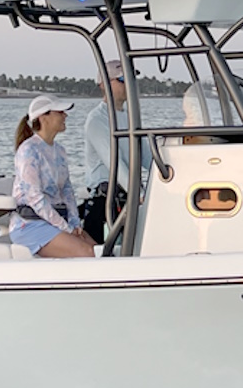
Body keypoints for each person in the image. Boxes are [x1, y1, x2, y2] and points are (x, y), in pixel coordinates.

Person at [11, 94, 97, 258]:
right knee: (88, 253)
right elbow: (34, 197)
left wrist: (74, 223)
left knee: (100, 251)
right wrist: (66, 228)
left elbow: (67, 190)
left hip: (56, 222)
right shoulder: (28, 150)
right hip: (30, 225)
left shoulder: (60, 151)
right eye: (60, 112)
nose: (65, 116)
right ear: (43, 117)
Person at [81, 60, 153, 244]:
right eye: (122, 79)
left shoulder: (130, 117)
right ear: (103, 84)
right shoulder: (97, 120)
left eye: (131, 79)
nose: (128, 84)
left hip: (128, 200)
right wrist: (139, 194)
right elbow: (114, 163)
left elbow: (147, 158)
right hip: (106, 205)